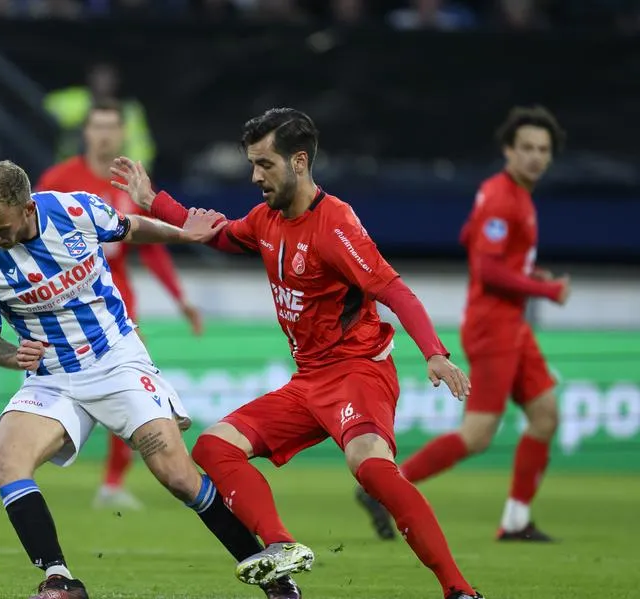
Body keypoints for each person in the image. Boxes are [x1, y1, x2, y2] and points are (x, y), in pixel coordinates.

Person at [111, 108, 484, 599]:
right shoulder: (266, 220)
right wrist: (153, 201)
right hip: (308, 381)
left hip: (357, 372)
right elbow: (218, 233)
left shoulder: (336, 225)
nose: (255, 176)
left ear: (300, 162)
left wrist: (434, 353)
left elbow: (393, 289)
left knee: (371, 468)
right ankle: (281, 546)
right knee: (214, 447)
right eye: (252, 164)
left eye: (265, 164)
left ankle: (459, 590)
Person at [0, 160, 301, 599]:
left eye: (1, 229)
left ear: (28, 209)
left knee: (178, 475)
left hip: (116, 360)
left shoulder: (75, 211)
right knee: (4, 463)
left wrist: (184, 234)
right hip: (52, 377)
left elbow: (130, 228)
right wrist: (12, 355)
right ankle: (60, 580)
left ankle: (272, 576)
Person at [356, 105, 569, 543]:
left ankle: (515, 521)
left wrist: (526, 272)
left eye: (543, 149)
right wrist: (544, 288)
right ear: (508, 150)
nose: (535, 156)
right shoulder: (502, 197)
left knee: (545, 414)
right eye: (527, 147)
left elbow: (469, 236)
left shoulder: (510, 195)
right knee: (477, 435)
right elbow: (487, 269)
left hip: (513, 326)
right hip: (493, 328)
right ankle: (386, 487)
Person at [36, 99, 203, 510]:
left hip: (117, 305)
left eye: (112, 127)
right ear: (86, 133)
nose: (105, 135)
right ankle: (31, 457)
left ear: (123, 133)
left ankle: (113, 481)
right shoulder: (58, 180)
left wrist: (180, 298)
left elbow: (152, 247)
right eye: (98, 126)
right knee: (69, 387)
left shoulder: (130, 183)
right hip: (65, 307)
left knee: (131, 383)